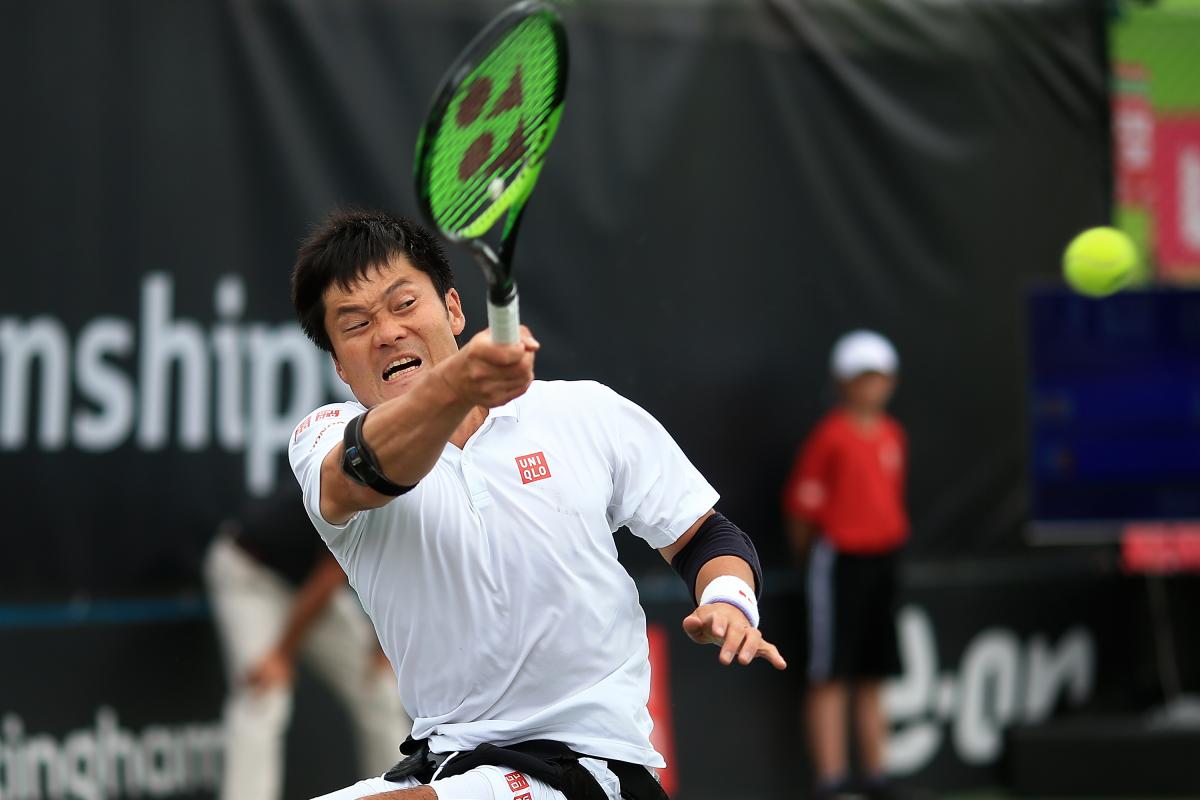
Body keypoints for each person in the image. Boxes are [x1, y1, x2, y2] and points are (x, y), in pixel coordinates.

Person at [286, 208, 786, 800]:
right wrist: (459, 384)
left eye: (403, 305)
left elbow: (704, 535)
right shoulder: (324, 438)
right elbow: (362, 475)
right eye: (356, 323)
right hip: (450, 764)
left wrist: (727, 598)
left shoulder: (584, 412)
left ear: (453, 309)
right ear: (340, 366)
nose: (387, 331)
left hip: (591, 769)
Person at [204, 485, 412, 800]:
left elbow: (396, 574)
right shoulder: (361, 480)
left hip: (309, 583)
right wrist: (280, 654)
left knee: (379, 688)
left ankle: (399, 794)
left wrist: (381, 643)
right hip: (250, 573)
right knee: (264, 695)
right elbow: (327, 579)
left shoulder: (418, 498)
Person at [781, 330, 909, 800]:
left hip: (884, 560)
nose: (872, 386)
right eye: (862, 377)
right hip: (839, 563)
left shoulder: (894, 435)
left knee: (874, 672)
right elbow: (802, 509)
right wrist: (813, 558)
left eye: (879, 376)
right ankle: (832, 780)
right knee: (830, 672)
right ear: (843, 382)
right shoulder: (830, 438)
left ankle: (876, 775)